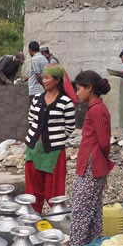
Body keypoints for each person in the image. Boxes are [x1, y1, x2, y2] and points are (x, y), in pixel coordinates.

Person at [69, 71, 116, 246]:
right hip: (93, 164)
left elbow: (104, 142)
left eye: (79, 89)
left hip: (92, 164)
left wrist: (101, 163)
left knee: (81, 210)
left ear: (89, 88)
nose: (77, 93)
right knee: (94, 210)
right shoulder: (96, 108)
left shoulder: (97, 109)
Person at [25, 64, 76, 213]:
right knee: (33, 188)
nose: (44, 81)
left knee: (54, 189)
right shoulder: (36, 99)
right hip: (34, 148)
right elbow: (31, 120)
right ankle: (33, 217)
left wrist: (56, 139)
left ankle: (57, 218)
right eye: (44, 77)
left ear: (57, 80)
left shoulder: (65, 102)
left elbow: (70, 127)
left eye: (48, 77)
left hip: (54, 151)